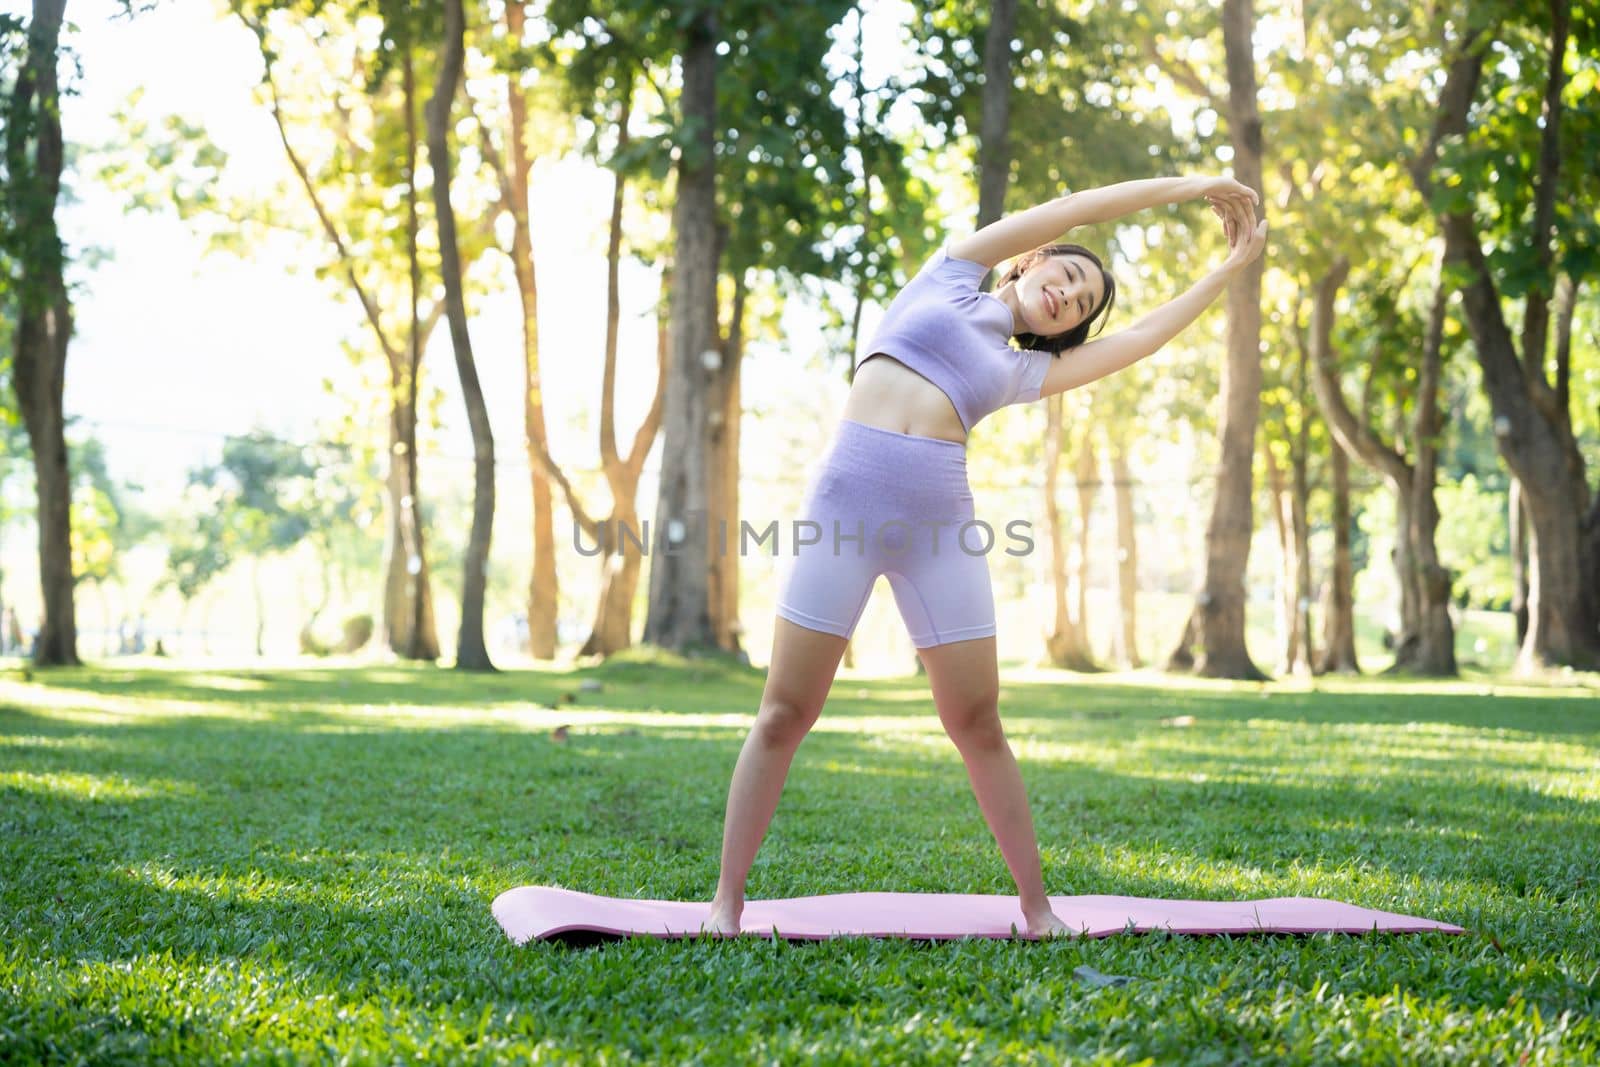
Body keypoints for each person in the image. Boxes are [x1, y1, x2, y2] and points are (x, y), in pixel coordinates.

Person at [703, 176, 1268, 937]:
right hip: (843, 511)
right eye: (1067, 274)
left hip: (941, 529)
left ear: (1068, 329)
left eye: (1082, 302)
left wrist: (1227, 270)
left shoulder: (1021, 369)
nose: (1070, 294)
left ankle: (1037, 910)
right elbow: (1078, 210)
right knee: (784, 711)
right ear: (1028, 262)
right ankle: (724, 906)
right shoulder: (951, 271)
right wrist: (1191, 186)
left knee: (977, 720)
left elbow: (1140, 341)